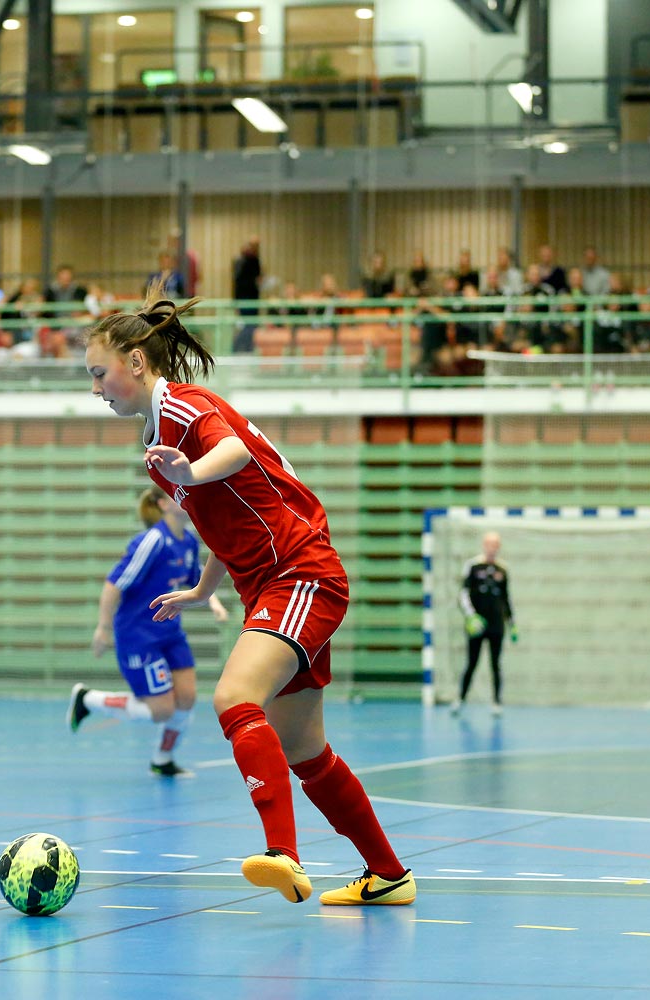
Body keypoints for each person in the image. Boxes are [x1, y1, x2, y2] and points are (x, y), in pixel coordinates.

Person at [82, 282, 415, 907]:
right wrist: (200, 587)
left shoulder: (183, 409)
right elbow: (219, 523)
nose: (96, 389)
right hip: (273, 582)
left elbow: (231, 451)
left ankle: (283, 854)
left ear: (135, 362)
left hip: (301, 571)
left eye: (100, 374)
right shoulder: (158, 452)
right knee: (303, 749)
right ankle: (389, 874)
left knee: (234, 698)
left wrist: (193, 469)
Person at [66, 486, 227, 776]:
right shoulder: (152, 541)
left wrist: (213, 602)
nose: (185, 499)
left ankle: (163, 759)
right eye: (177, 496)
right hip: (138, 635)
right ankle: (88, 699)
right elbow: (113, 584)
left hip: (170, 632)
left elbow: (197, 582)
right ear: (164, 504)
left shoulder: (188, 541)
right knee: (161, 710)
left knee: (187, 697)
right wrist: (103, 628)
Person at [452, 531, 515, 717]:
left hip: (497, 624)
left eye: (496, 544)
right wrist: (471, 616)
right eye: (489, 544)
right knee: (471, 662)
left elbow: (506, 598)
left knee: (496, 663)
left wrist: (512, 622)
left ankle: (497, 701)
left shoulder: (502, 569)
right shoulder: (472, 566)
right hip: (477, 625)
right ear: (484, 545)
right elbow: (463, 594)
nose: (492, 548)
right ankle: (460, 699)